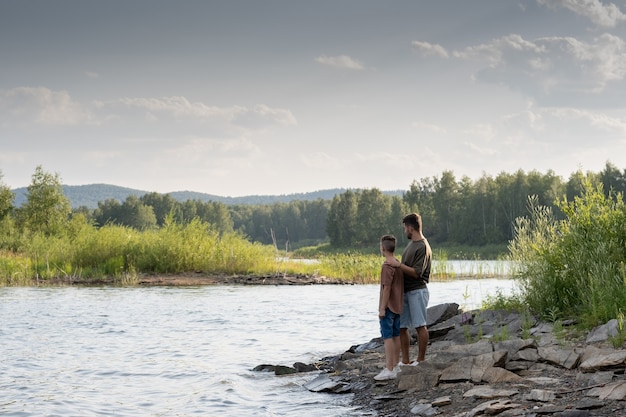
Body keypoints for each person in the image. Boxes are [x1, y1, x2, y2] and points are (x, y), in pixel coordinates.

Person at [386, 213, 431, 365]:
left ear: (410, 228)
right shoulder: (411, 245)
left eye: (405, 228)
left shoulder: (423, 246)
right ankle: (405, 361)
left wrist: (398, 265)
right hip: (405, 292)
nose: (405, 231)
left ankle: (421, 359)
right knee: (402, 327)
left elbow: (417, 272)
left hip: (418, 291)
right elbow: (406, 268)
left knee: (420, 325)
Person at [374, 234, 404, 381]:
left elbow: (387, 288)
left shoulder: (387, 266)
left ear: (383, 248)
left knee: (387, 337)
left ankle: (389, 368)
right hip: (398, 305)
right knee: (396, 335)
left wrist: (382, 308)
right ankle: (396, 365)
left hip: (389, 306)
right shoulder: (398, 264)